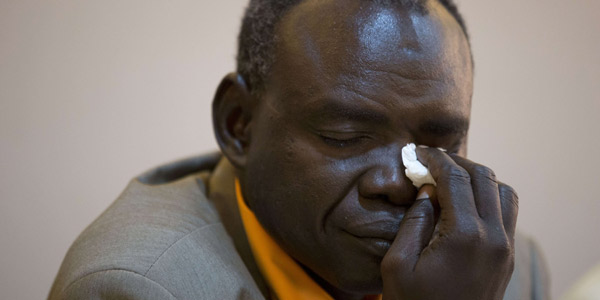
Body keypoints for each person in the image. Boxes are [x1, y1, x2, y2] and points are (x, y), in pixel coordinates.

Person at [48, 0, 550, 299]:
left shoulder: (502, 268)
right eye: (345, 136)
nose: (399, 182)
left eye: (438, 143)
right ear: (238, 124)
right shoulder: (138, 287)